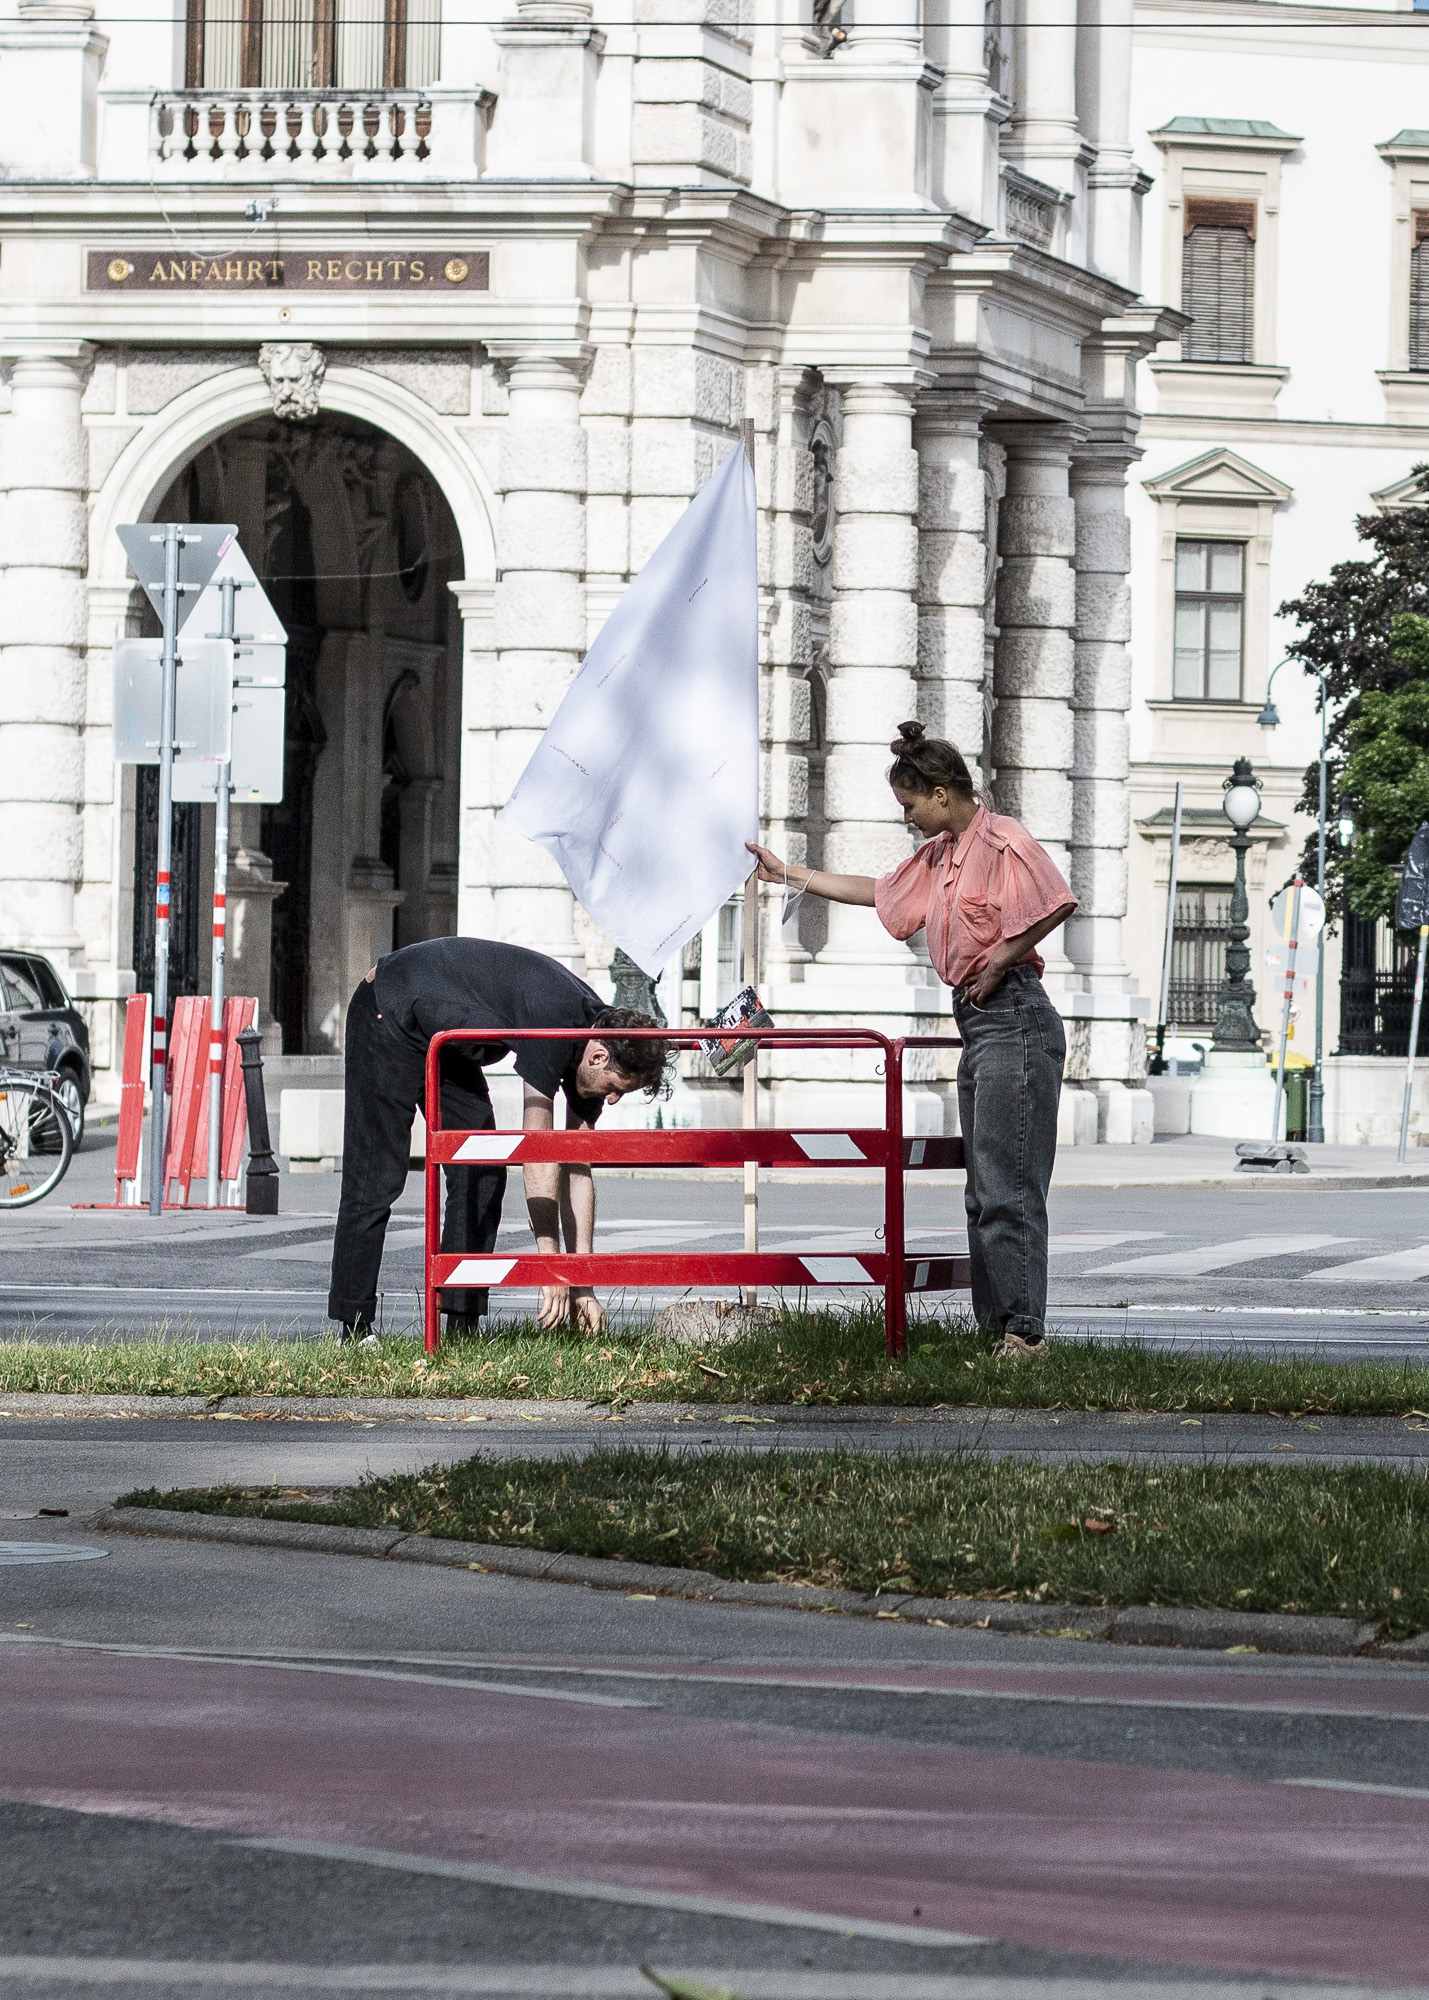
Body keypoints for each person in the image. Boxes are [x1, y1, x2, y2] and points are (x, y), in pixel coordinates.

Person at [747, 721, 1076, 1359]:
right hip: (979, 1024)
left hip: (1016, 1020)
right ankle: (998, 1333)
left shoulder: (1003, 841)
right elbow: (878, 892)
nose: (908, 819)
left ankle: (1024, 1333)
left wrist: (1002, 958)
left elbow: (1057, 901)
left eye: (910, 805)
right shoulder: (938, 857)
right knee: (983, 1192)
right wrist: (791, 874)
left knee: (1009, 1188)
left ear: (943, 793)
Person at [327, 936, 667, 1341]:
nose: (611, 1100)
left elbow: (577, 1167)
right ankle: (355, 1326)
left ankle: (461, 1326)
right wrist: (550, 1265)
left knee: (482, 1166)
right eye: (615, 1087)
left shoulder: (597, 1036)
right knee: (376, 1175)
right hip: (390, 1008)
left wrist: (581, 1282)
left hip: (447, 1039)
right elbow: (538, 1152)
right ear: (598, 1058)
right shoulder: (554, 1024)